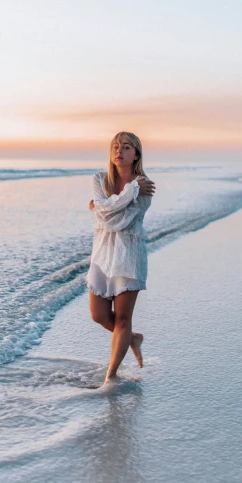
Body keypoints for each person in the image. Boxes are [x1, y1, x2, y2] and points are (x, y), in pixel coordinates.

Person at [86, 132, 156, 383]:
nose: (119, 151)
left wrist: (99, 208)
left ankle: (111, 376)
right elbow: (105, 214)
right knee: (99, 315)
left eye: (126, 147)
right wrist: (130, 192)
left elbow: (117, 221)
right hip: (102, 254)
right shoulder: (100, 179)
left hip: (129, 254)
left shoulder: (146, 186)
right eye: (116, 147)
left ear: (136, 154)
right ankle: (133, 338)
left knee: (123, 317)